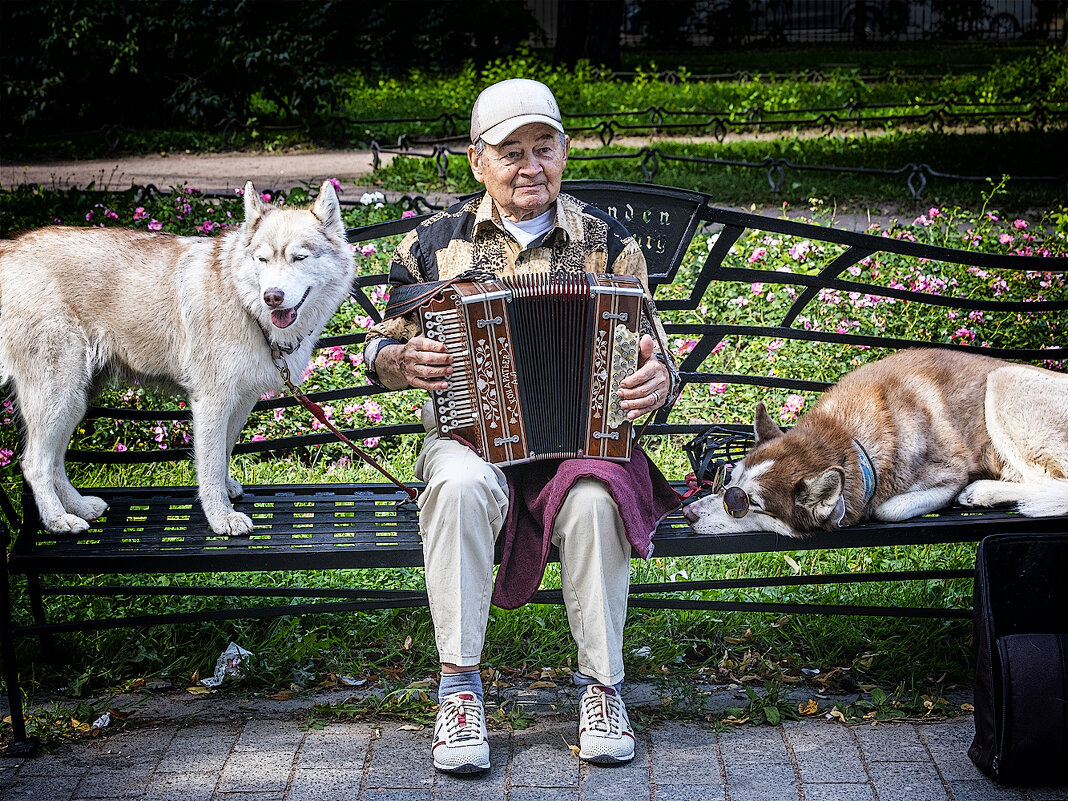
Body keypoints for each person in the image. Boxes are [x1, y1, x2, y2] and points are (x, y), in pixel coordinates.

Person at [363, 78, 681, 774]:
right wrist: (398, 358)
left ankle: (603, 688)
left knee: (597, 499)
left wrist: (658, 381)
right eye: (511, 151)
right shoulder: (432, 246)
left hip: (583, 444)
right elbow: (377, 347)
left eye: (545, 147)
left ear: (565, 152)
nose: (530, 166)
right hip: (469, 441)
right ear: (478, 160)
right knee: (454, 486)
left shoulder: (609, 244)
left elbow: (655, 351)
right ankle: (459, 690)